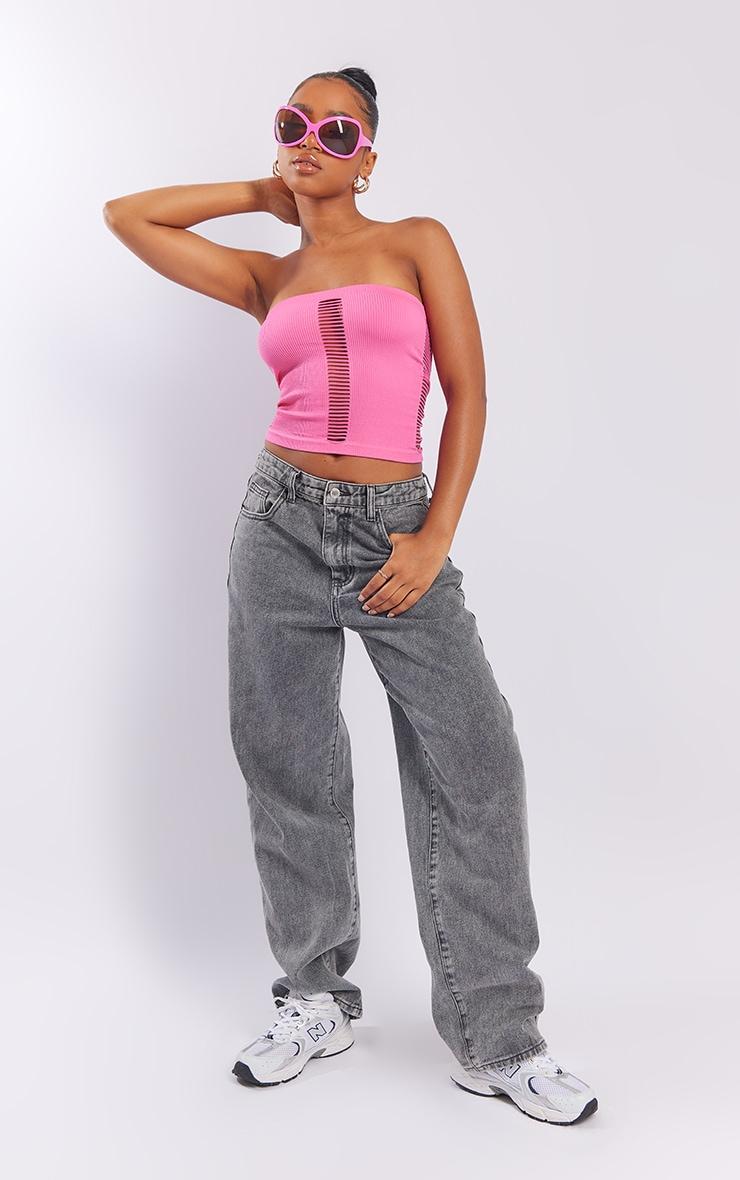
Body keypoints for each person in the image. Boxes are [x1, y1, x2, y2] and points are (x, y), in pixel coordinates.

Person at [103, 65, 598, 1125]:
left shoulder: (417, 241)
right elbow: (126, 215)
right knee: (287, 761)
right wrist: (264, 190)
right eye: (295, 123)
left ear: (367, 155)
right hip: (275, 524)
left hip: (393, 528)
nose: (311, 140)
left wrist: (434, 535)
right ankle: (315, 997)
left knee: (476, 758)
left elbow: (467, 392)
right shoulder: (267, 275)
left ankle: (497, 1037)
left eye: (336, 131)